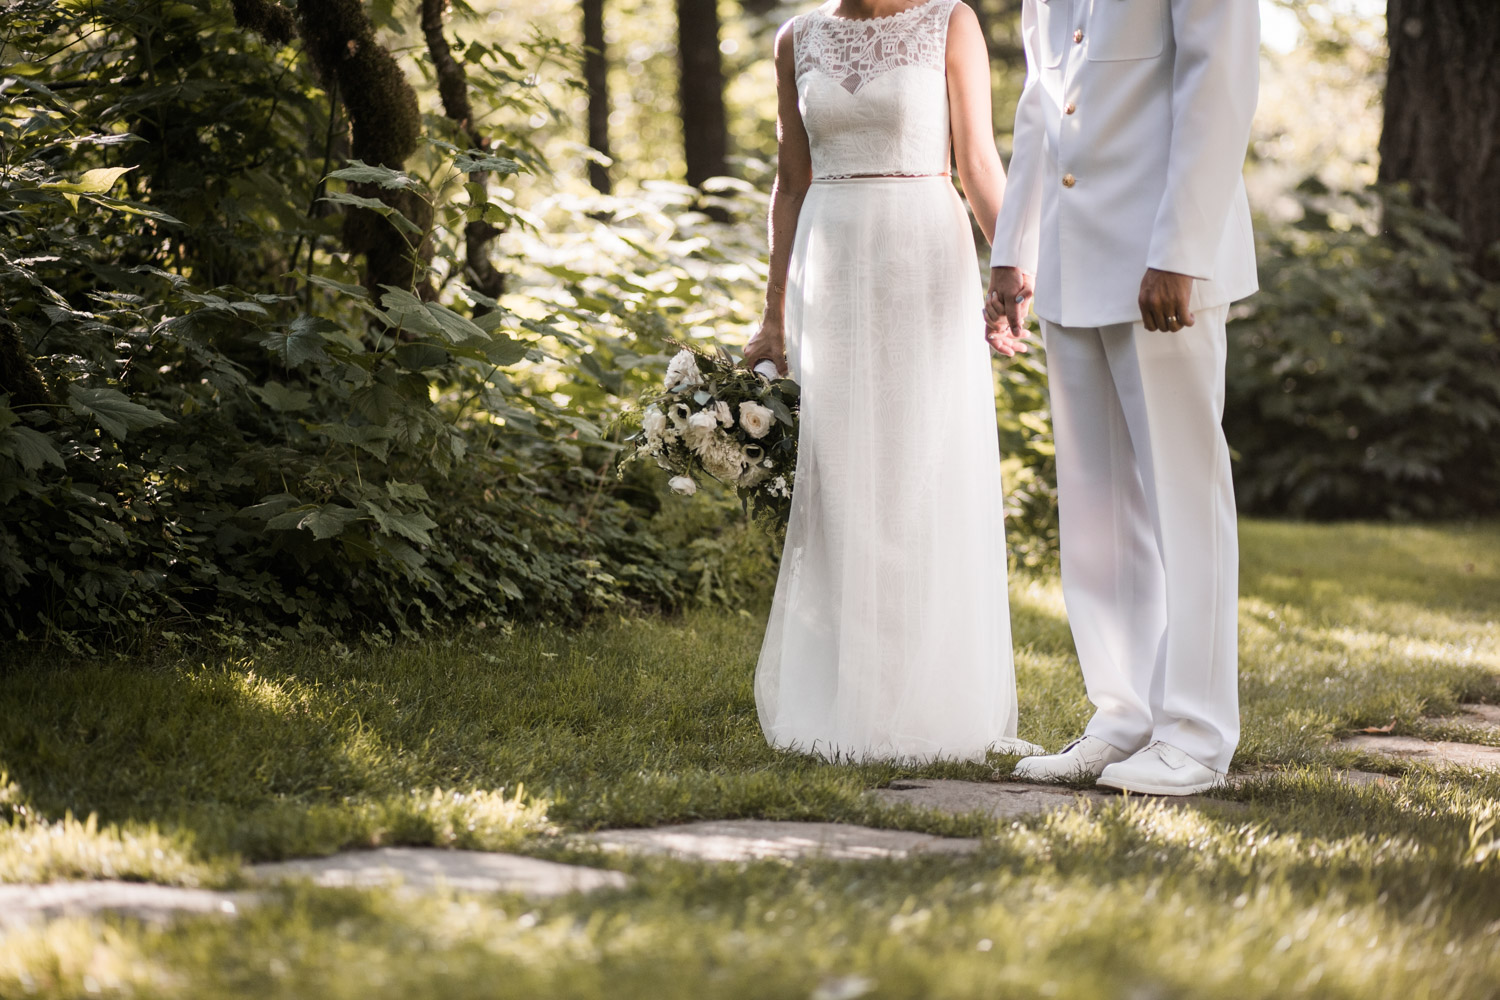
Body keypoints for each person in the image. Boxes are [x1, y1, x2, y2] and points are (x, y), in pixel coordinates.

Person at [741, 0, 1038, 762]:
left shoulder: (949, 21)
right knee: (842, 483)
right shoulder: (796, 37)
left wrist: (1014, 275)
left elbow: (977, 162)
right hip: (829, 269)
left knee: (916, 474)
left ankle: (929, 701)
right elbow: (791, 180)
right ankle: (850, 697)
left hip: (921, 254)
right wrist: (771, 317)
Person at [984, 0, 1261, 794]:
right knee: (1098, 515)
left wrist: (1180, 249)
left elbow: (1220, 83)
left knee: (1184, 500)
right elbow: (1043, 96)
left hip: (1161, 260)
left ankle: (1197, 735)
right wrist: (1013, 250)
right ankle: (1123, 716)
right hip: (1073, 258)